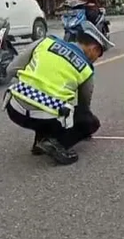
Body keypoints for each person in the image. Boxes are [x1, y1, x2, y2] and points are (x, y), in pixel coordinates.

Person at [2, 21, 115, 165]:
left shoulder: (45, 42)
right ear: (93, 48)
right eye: (99, 54)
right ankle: (56, 143)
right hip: (45, 116)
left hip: (14, 108)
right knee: (88, 122)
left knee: (48, 104)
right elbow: (83, 107)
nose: (97, 58)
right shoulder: (86, 69)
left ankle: (40, 141)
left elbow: (11, 69)